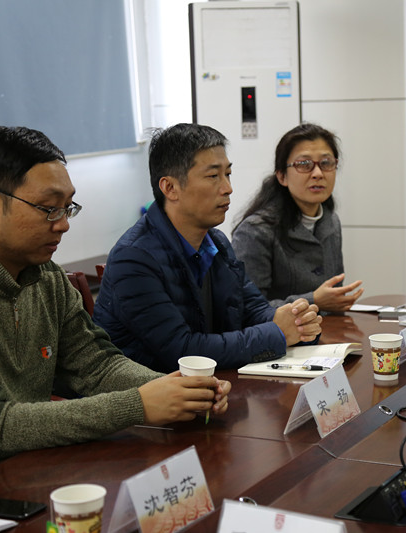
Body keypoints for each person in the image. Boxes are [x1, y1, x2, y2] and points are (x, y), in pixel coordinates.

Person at [0, 126, 230, 480]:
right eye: (48, 208)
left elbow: (97, 366)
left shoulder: (46, 277)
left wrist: (179, 390)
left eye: (67, 208)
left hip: (33, 468)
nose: (63, 225)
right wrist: (138, 404)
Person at [93, 124, 322, 373]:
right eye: (213, 176)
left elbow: (252, 309)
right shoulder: (134, 258)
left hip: (215, 384)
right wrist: (277, 333)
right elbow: (183, 351)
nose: (228, 188)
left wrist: (294, 321)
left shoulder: (217, 243)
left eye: (228, 174)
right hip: (154, 391)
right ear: (170, 188)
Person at [231, 123, 363, 311]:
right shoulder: (255, 231)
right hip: (280, 331)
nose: (318, 173)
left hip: (326, 328)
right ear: (282, 176)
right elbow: (249, 309)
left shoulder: (331, 221)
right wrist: (313, 301)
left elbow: (333, 295)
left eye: (326, 163)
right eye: (304, 164)